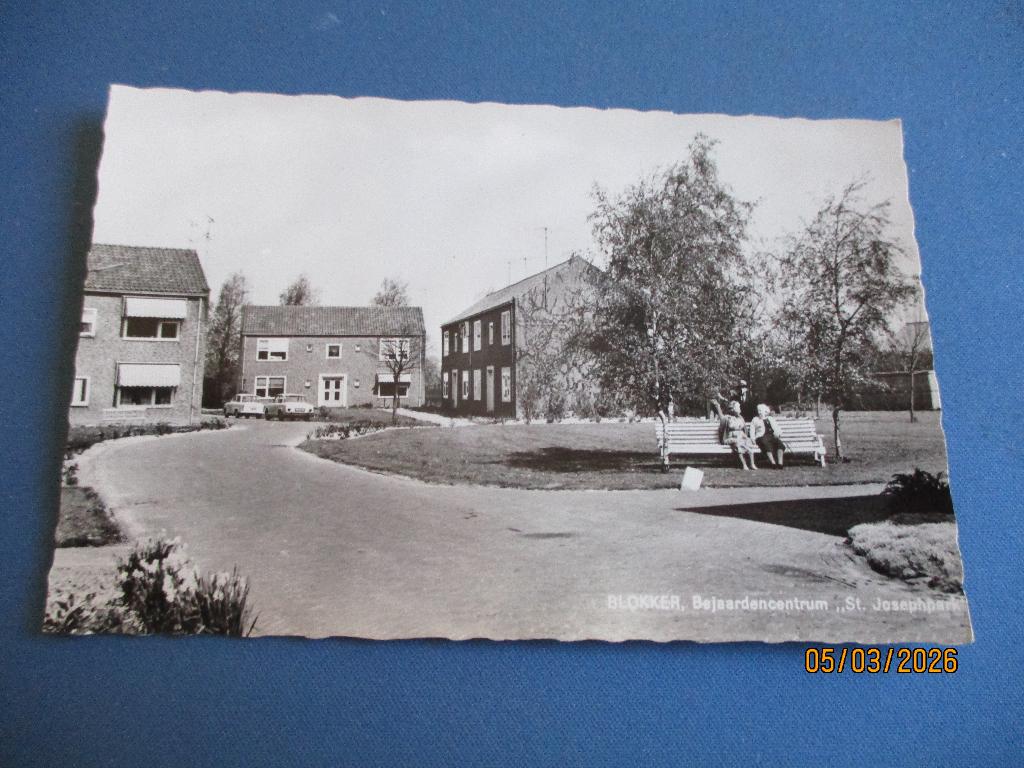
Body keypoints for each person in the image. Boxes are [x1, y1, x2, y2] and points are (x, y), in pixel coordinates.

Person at [719, 400, 757, 470]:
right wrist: (722, 439)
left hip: (740, 436)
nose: (739, 409)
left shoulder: (740, 417)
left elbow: (744, 429)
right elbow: (721, 430)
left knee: (747, 442)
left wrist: (745, 436)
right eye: (738, 407)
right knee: (737, 443)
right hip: (730, 438)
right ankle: (744, 464)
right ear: (733, 409)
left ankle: (752, 464)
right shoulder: (726, 418)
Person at [750, 403, 787, 468]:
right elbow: (752, 430)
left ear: (765, 411)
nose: (760, 412)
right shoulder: (755, 419)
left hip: (771, 436)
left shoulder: (770, 418)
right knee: (766, 444)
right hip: (761, 436)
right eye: (758, 411)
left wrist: (778, 433)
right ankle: (773, 463)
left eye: (761, 411)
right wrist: (752, 438)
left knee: (780, 445)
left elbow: (776, 427)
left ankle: (780, 463)